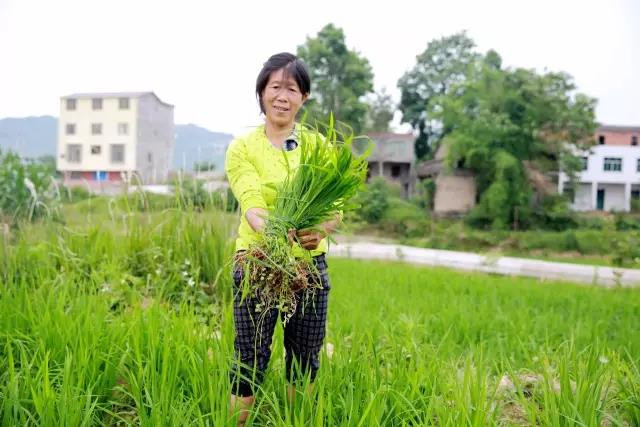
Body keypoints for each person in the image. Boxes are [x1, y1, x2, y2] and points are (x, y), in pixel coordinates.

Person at [224, 52, 341, 426]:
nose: (282, 96)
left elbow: (335, 206)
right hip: (259, 263)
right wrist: (278, 232)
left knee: (305, 357)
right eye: (275, 87)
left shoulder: (320, 147)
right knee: (249, 357)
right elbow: (252, 204)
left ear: (303, 97)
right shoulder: (242, 148)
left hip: (309, 266)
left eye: (292, 88)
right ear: (261, 93)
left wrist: (321, 229)